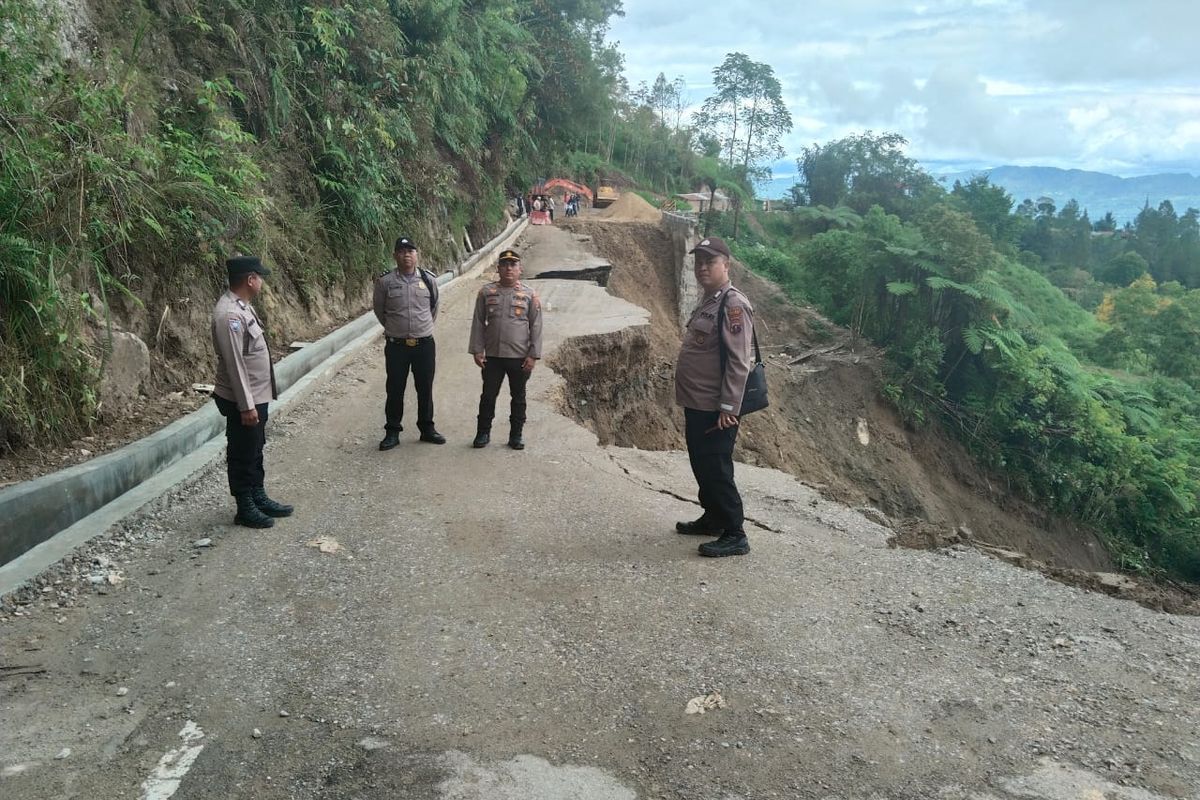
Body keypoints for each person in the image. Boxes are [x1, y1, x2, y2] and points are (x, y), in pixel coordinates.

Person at [673, 236, 755, 557]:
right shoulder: (710, 300)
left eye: (710, 262)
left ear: (727, 266)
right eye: (699, 262)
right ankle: (713, 518)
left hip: (716, 408)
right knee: (701, 464)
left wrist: (728, 406)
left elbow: (738, 361)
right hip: (697, 403)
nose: (702, 267)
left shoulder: (733, 304)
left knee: (717, 468)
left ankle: (735, 532)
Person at [211, 255, 293, 528]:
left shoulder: (243, 308)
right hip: (243, 399)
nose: (261, 282)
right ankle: (244, 505)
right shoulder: (230, 314)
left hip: (257, 394)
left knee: (255, 446)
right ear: (250, 279)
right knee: (242, 450)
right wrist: (246, 405)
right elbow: (235, 363)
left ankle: (258, 495)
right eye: (260, 277)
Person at [373, 236, 446, 450]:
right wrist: (397, 328)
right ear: (395, 255)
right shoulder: (385, 282)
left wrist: (421, 329)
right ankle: (392, 431)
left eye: (410, 251)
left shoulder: (428, 279)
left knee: (425, 388)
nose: (407, 255)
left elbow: (434, 308)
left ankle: (427, 429)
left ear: (417, 254)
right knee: (395, 388)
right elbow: (380, 310)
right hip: (397, 346)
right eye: (402, 251)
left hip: (424, 345)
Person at [468, 248, 543, 449]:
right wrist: (477, 350)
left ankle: (516, 435)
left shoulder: (529, 294)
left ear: (520, 269)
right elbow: (478, 322)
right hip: (492, 357)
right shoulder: (486, 292)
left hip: (519, 357)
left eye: (513, 265)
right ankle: (483, 433)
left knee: (518, 397)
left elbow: (536, 325)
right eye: (504, 265)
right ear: (498, 269)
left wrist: (533, 355)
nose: (509, 268)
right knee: (488, 396)